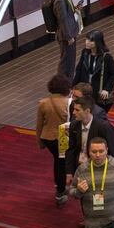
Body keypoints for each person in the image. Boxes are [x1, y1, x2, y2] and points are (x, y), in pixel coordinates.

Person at [66, 96, 114, 187]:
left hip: (99, 168)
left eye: (77, 110)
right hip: (81, 167)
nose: (73, 112)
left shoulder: (103, 127)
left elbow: (112, 151)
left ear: (87, 111)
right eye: (73, 109)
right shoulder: (74, 125)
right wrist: (69, 172)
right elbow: (71, 149)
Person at [37, 74, 72, 204]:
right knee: (62, 163)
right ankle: (61, 189)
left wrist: (39, 142)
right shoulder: (69, 103)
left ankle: (59, 187)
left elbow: (39, 124)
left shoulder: (43, 103)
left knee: (57, 161)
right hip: (63, 136)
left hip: (47, 137)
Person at [73, 30, 114, 113]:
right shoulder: (85, 53)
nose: (87, 42)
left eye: (91, 40)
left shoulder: (106, 57)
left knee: (97, 114)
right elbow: (79, 69)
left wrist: (106, 89)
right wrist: (73, 86)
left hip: (98, 91)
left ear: (97, 42)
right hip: (85, 90)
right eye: (86, 39)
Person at [52, 0, 83, 78]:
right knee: (66, 61)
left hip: (70, 32)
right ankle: (62, 82)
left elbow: (66, 13)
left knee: (70, 59)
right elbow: (62, 20)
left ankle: (68, 81)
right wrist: (68, 36)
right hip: (66, 35)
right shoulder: (59, 0)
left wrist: (75, 8)